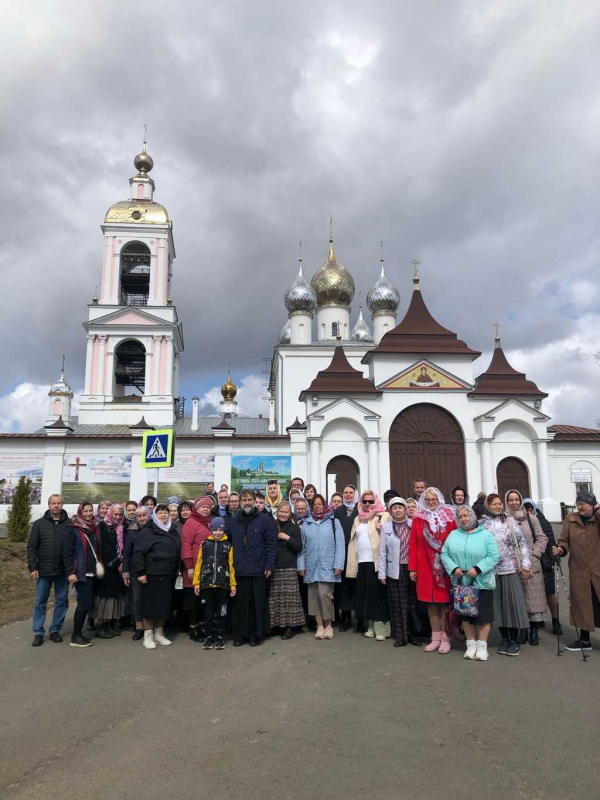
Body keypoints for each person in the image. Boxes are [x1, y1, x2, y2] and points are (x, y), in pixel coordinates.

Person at [441, 505, 500, 661]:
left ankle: (482, 646)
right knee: (466, 615)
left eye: (466, 515)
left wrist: (478, 568)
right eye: (460, 517)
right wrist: (454, 568)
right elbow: (444, 554)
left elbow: (494, 556)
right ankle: (470, 645)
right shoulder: (453, 535)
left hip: (481, 582)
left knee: (483, 616)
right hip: (462, 582)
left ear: (473, 516)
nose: (463, 519)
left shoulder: (486, 535)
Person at [481, 494, 531, 656]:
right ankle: (504, 638)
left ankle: (514, 640)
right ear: (488, 506)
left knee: (512, 604)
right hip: (491, 571)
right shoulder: (483, 524)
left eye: (499, 503)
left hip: (510, 568)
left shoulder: (510, 522)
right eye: (493, 504)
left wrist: (525, 564)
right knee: (498, 606)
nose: (497, 506)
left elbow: (522, 543)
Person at [408, 487, 457, 654]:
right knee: (430, 602)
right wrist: (412, 568)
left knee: (443, 602)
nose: (430, 502)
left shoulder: (449, 517)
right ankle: (435, 638)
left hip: (444, 565)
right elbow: (413, 543)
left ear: (439, 499)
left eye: (433, 499)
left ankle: (445, 637)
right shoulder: (418, 518)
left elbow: (454, 539)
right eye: (427, 499)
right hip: (425, 565)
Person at [553, 491, 600, 652]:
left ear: (593, 505)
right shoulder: (570, 519)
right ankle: (585, 641)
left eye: (583, 504)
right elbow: (564, 539)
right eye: (577, 503)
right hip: (579, 570)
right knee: (583, 606)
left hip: (597, 569)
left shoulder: (597, 518)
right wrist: (561, 549)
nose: (579, 507)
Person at [229, 489, 277, 646]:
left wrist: (270, 564)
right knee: (240, 605)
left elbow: (271, 544)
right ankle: (240, 635)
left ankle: (255, 635)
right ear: (241, 502)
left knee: (257, 604)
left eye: (250, 500)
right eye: (244, 500)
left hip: (258, 569)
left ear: (254, 501)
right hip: (240, 569)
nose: (247, 503)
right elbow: (227, 542)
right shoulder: (234, 520)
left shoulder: (265, 520)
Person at [133, 504, 182, 650]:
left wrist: (178, 569)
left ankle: (159, 633)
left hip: (168, 574)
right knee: (150, 606)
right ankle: (148, 635)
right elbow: (138, 553)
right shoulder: (147, 531)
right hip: (151, 574)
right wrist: (141, 573)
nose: (163, 515)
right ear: (155, 515)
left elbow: (177, 551)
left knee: (163, 605)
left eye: (165, 512)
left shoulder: (172, 531)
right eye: (160, 513)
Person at [298, 494, 345, 639]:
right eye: (314, 504)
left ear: (325, 505)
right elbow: (302, 547)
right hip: (311, 566)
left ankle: (328, 626)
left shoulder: (333, 522)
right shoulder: (306, 524)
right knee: (313, 597)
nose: (317, 506)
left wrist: (338, 564)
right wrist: (301, 565)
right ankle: (319, 626)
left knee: (325, 596)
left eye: (320, 504)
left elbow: (340, 545)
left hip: (328, 565)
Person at [347, 490, 391, 640]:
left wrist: (382, 529)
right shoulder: (358, 519)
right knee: (366, 595)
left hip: (377, 563)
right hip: (362, 562)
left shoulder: (384, 515)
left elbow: (391, 536)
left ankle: (382, 629)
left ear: (376, 502)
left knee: (378, 596)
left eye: (370, 501)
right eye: (364, 501)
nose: (367, 504)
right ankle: (370, 626)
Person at [506, 491, 548, 646]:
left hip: (531, 563)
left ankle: (534, 630)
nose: (514, 502)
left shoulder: (531, 518)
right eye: (511, 500)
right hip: (513, 563)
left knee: (534, 599)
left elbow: (542, 537)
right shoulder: (505, 519)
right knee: (519, 598)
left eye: (517, 499)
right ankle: (522, 629)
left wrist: (535, 554)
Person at [27, 494, 70, 647]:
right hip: (43, 571)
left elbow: (72, 548)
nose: (56, 506)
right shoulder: (39, 524)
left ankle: (55, 630)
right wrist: (33, 567)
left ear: (62, 505)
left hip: (62, 570)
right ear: (49, 505)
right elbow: (32, 547)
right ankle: (38, 632)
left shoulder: (69, 524)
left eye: (59, 503)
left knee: (62, 601)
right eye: (53, 503)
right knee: (40, 602)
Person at [378, 498, 420, 648]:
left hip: (411, 569)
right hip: (394, 570)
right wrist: (382, 573)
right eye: (394, 508)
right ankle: (400, 635)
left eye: (400, 507)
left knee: (411, 602)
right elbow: (382, 551)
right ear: (390, 511)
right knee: (397, 603)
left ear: (405, 509)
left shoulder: (413, 524)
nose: (397, 510)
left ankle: (412, 634)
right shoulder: (386, 527)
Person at [63, 501, 103, 648]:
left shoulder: (93, 528)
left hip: (92, 572)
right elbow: (67, 553)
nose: (88, 514)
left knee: (88, 604)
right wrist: (71, 573)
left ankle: (79, 632)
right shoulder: (73, 529)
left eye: (90, 511)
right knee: (84, 604)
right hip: (80, 573)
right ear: (80, 512)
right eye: (85, 511)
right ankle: (75, 636)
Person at [194, 517, 236, 650]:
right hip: (206, 585)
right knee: (208, 612)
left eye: (220, 530)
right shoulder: (205, 544)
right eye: (215, 530)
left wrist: (233, 584)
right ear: (211, 529)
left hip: (223, 585)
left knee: (222, 612)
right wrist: (197, 583)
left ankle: (220, 637)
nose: (218, 532)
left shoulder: (228, 545)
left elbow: (231, 566)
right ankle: (209, 637)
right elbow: (199, 564)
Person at [523, 498, 562, 635]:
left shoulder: (543, 522)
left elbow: (550, 541)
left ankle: (556, 620)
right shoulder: (522, 521)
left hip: (544, 562)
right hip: (530, 563)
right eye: (526, 509)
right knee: (532, 594)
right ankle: (536, 620)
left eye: (530, 509)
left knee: (549, 592)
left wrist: (554, 556)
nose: (529, 512)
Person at [268, 502, 305, 639]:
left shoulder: (294, 528)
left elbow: (299, 547)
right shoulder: (271, 526)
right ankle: (278, 626)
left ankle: (291, 626)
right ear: (277, 512)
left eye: (286, 512)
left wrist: (287, 538)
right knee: (276, 599)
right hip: (275, 567)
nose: (283, 514)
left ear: (290, 514)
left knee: (290, 600)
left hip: (289, 567)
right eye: (281, 512)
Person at [181, 496, 213, 641]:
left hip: (208, 568)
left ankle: (203, 626)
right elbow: (186, 545)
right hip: (194, 567)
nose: (205, 509)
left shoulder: (212, 522)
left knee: (204, 600)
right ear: (197, 508)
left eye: (208, 507)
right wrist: (189, 566)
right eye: (203, 507)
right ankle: (193, 628)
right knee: (193, 600)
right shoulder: (191, 522)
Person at [94, 503, 127, 639]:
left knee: (116, 597)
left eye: (120, 514)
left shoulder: (122, 527)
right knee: (105, 598)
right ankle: (100, 625)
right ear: (110, 513)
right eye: (115, 514)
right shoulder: (102, 527)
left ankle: (112, 623)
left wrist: (123, 562)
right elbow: (104, 547)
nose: (118, 517)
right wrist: (117, 563)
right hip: (108, 568)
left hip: (119, 568)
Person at [122, 505, 150, 641]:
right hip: (135, 571)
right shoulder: (132, 531)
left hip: (152, 571)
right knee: (137, 600)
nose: (142, 518)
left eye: (144, 515)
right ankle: (139, 627)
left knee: (150, 600)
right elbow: (126, 554)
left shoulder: (154, 530)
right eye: (139, 516)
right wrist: (125, 573)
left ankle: (150, 627)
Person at [334, 484, 359, 631]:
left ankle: (360, 618)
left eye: (351, 492)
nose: (348, 495)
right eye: (346, 492)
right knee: (343, 586)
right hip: (342, 553)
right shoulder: (338, 511)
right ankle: (346, 616)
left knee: (356, 585)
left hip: (356, 553)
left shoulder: (360, 509)